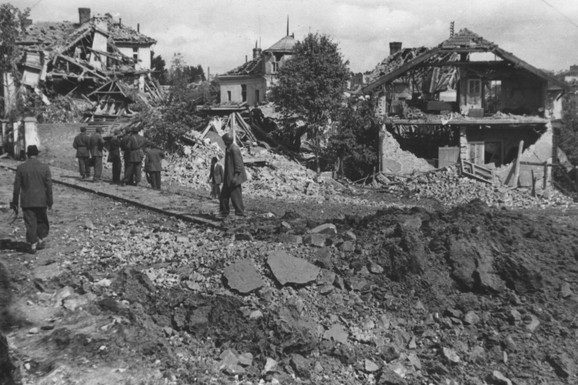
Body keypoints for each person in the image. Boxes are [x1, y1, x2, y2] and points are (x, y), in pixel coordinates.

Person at [10, 145, 53, 254]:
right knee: (41, 220)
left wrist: (15, 202)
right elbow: (49, 186)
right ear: (37, 154)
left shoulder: (21, 168)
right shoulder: (44, 167)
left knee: (30, 222)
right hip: (41, 200)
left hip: (27, 201)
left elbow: (17, 187)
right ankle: (40, 239)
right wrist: (50, 201)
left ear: (28, 155)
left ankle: (33, 244)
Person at [220, 132, 247, 218]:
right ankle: (224, 212)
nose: (223, 142)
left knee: (236, 196)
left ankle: (240, 212)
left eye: (224, 140)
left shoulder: (234, 149)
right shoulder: (228, 148)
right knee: (224, 195)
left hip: (234, 177)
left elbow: (238, 164)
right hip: (228, 177)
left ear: (227, 141)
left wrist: (235, 177)